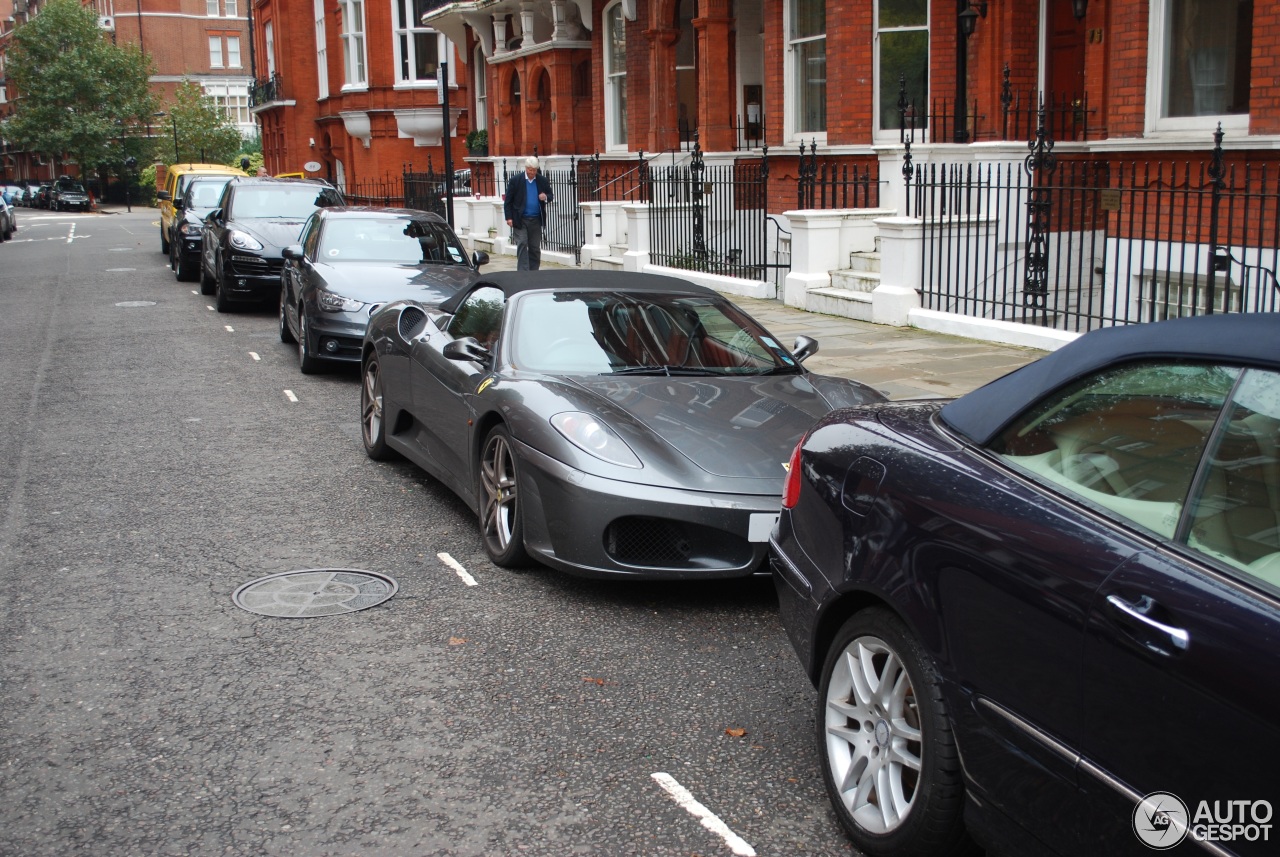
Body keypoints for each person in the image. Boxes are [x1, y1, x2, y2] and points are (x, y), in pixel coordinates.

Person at [503, 156, 554, 271]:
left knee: (535, 247)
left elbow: (551, 196)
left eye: (534, 170)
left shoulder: (542, 180)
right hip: (520, 219)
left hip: (536, 219)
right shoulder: (516, 180)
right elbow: (508, 200)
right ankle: (523, 272)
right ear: (526, 168)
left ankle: (534, 271)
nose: (532, 172)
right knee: (522, 244)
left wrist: (545, 197)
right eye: (530, 170)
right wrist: (509, 217)